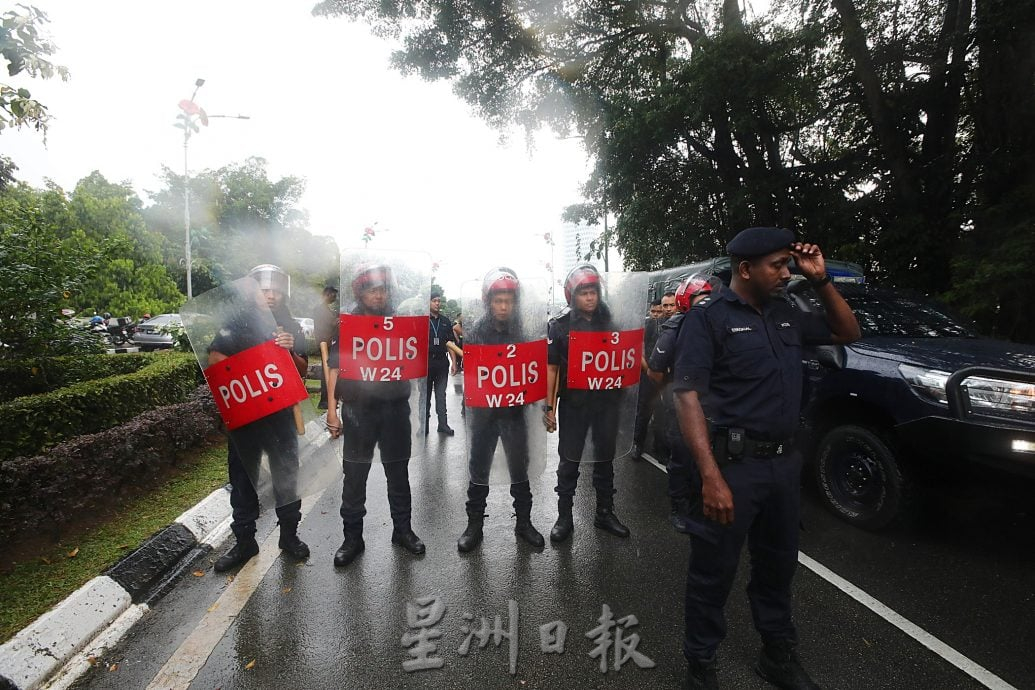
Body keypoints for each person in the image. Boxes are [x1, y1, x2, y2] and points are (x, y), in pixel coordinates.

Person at [672, 228, 860, 689]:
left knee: (777, 567)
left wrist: (821, 281)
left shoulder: (787, 313)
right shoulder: (709, 319)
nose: (785, 272)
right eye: (777, 265)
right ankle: (700, 666)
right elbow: (687, 397)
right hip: (732, 468)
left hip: (781, 468)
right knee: (713, 573)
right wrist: (710, 478)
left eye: (787, 264)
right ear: (745, 269)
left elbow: (847, 331)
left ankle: (776, 655)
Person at [211, 264, 311, 572]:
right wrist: (246, 368)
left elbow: (303, 370)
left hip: (280, 419)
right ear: (252, 290)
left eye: (276, 290)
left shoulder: (289, 325)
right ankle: (244, 542)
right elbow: (216, 359)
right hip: (245, 419)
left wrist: (289, 351)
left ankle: (289, 537)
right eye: (264, 289)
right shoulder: (235, 322)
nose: (271, 295)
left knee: (286, 478)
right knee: (243, 481)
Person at [325, 264, 425, 567]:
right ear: (360, 292)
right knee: (355, 476)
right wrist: (332, 410)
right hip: (358, 410)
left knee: (398, 473)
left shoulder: (401, 320)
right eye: (372, 289)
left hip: (395, 408)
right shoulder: (349, 323)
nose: (378, 295)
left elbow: (416, 358)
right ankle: (352, 538)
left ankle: (403, 530)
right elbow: (334, 366)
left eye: (383, 289)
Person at [457, 269, 546, 552]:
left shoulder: (524, 332)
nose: (504, 306)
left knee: (520, 469)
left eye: (508, 300)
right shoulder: (475, 333)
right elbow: (470, 374)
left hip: (514, 414)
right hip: (484, 417)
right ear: (489, 301)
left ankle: (524, 523)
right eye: (498, 300)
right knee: (478, 469)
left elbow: (534, 371)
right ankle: (474, 525)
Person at [543, 264, 630, 542]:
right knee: (569, 460)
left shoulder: (610, 321)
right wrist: (549, 407)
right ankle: (564, 516)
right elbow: (552, 368)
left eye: (593, 292)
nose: (590, 298)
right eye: (584, 293)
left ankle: (604, 512)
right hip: (574, 404)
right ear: (572, 295)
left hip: (605, 402)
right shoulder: (560, 326)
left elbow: (621, 357)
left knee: (605, 458)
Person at [647, 274, 716, 535]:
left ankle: (703, 504)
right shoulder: (676, 327)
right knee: (682, 459)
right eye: (700, 299)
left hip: (715, 407)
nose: (705, 304)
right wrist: (674, 389)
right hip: (685, 406)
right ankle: (679, 507)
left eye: (709, 298)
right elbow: (655, 370)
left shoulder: (722, 323)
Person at [632, 297, 664, 460]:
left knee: (662, 412)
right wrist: (649, 370)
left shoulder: (671, 325)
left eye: (660, 311)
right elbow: (638, 350)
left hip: (665, 377)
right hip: (647, 374)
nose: (656, 314)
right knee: (643, 411)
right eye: (654, 311)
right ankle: (638, 444)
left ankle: (660, 447)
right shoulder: (646, 325)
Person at [425, 287, 457, 435]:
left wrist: (454, 362)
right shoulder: (423, 321)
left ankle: (442, 424)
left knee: (440, 394)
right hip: (426, 363)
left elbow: (450, 343)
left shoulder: (445, 321)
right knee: (425, 395)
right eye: (434, 301)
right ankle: (423, 425)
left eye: (439, 301)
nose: (437, 303)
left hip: (441, 363)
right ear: (429, 303)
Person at [314, 284, 339, 410]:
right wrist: (337, 321)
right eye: (333, 294)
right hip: (325, 344)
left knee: (329, 372)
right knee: (326, 373)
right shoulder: (320, 309)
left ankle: (328, 399)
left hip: (329, 344)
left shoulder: (327, 309)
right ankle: (324, 400)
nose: (334, 297)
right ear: (326, 295)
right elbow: (327, 325)